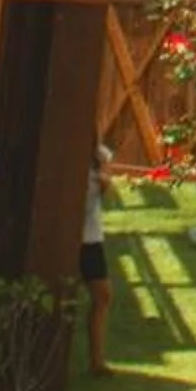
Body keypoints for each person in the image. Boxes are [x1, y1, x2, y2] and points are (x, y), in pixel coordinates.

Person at [82, 141, 114, 375]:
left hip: (90, 236)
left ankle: (97, 362)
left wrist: (104, 178)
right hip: (65, 235)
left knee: (102, 295)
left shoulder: (100, 155)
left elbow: (106, 191)